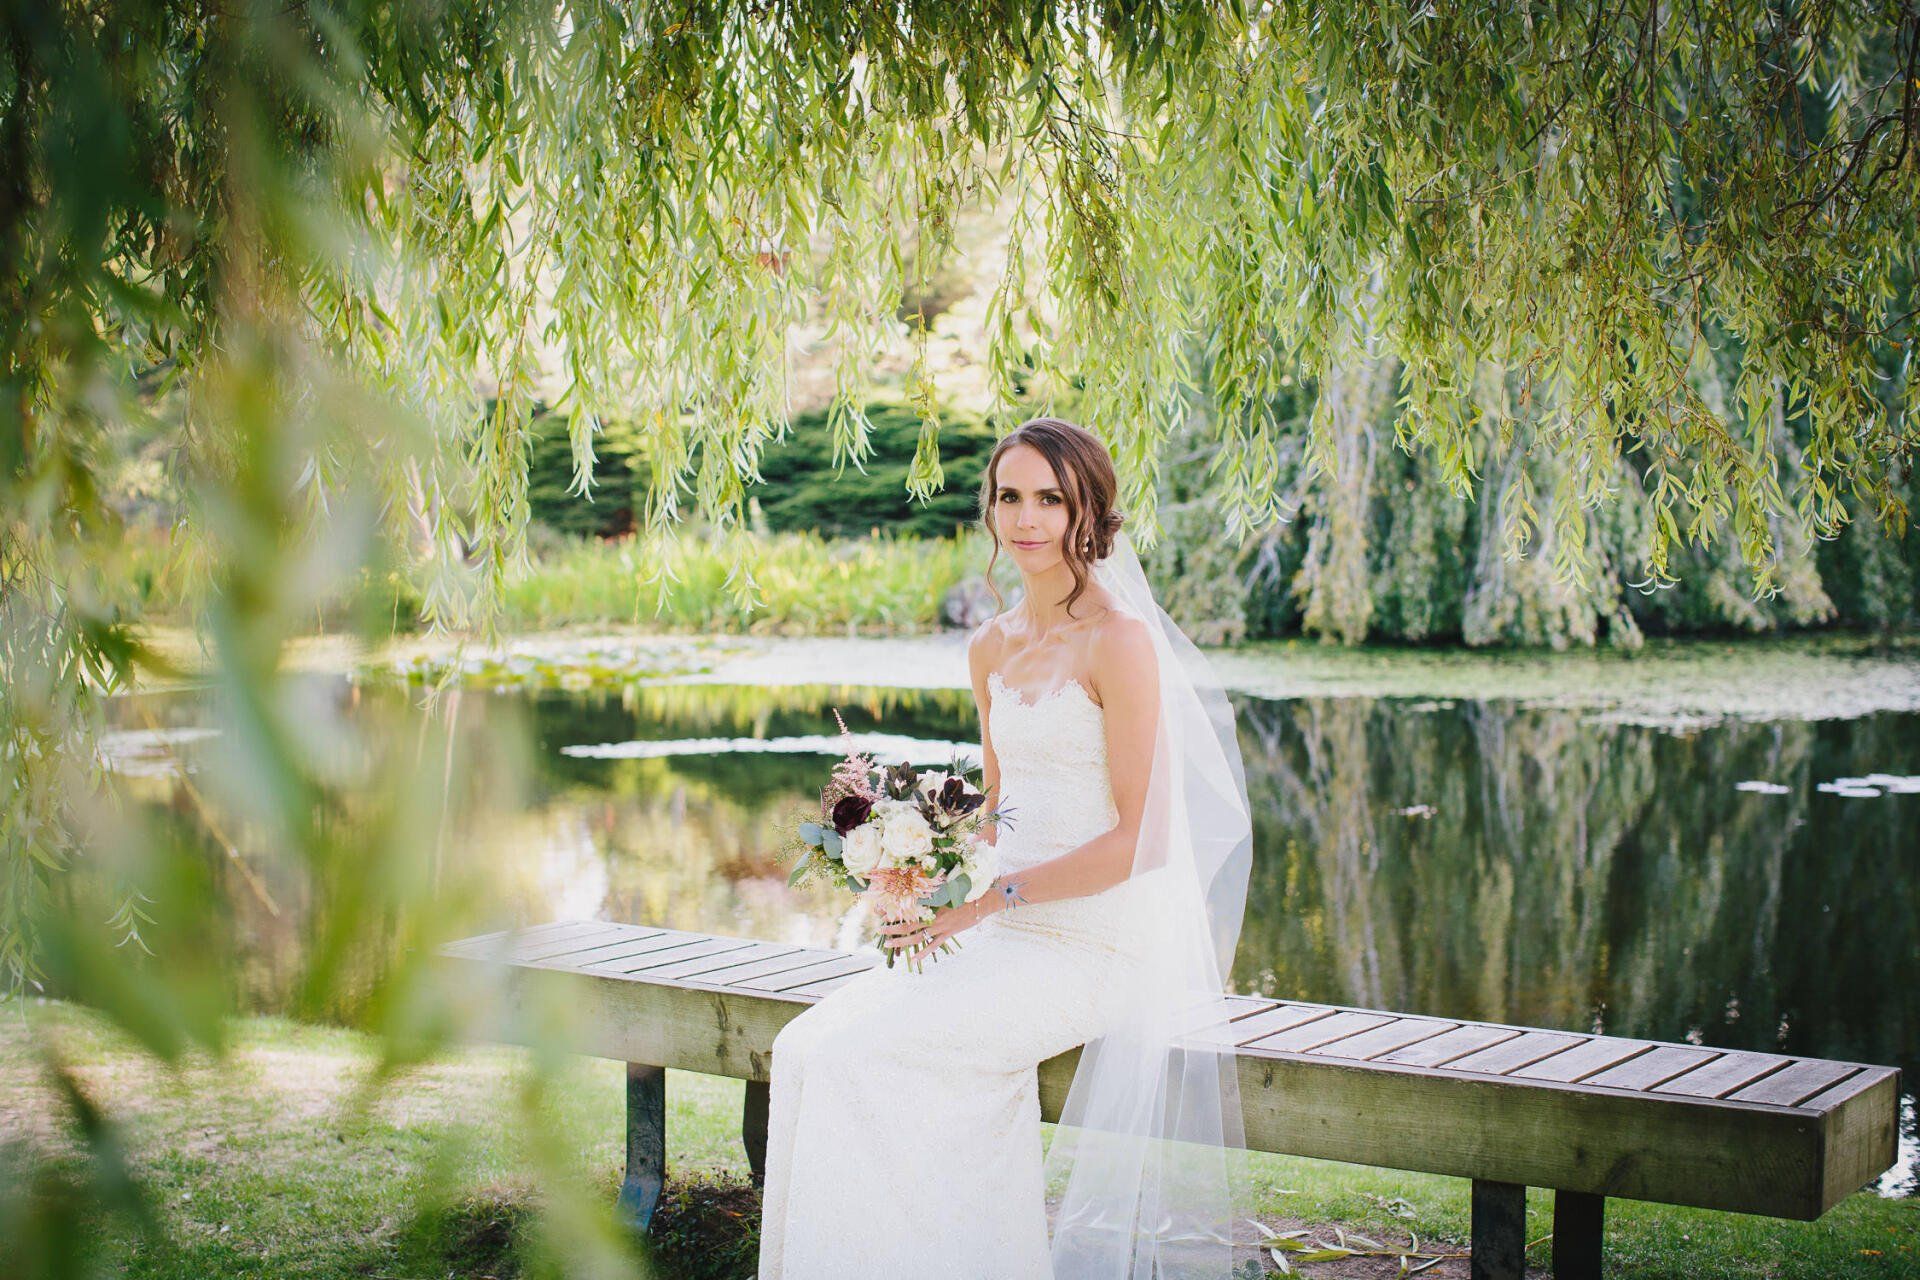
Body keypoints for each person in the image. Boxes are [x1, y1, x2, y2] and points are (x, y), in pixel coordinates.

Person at [757, 417, 1255, 1279]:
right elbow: (997, 813)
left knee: (867, 1057)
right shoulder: (989, 645)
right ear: (990, 508)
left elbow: (1143, 843)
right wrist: (920, 878)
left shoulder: (1119, 640)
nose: (1026, 518)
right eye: (1009, 496)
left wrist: (988, 903)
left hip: (1099, 942)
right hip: (1001, 927)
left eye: (1049, 499)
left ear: (1085, 510)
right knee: (806, 1049)